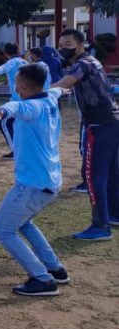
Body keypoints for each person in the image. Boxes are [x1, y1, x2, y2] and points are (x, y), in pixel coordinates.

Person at [0, 64, 69, 296]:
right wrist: (64, 90)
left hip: (32, 185)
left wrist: (1, 111)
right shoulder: (49, 97)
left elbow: (16, 106)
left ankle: (42, 278)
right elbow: (58, 90)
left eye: (16, 84)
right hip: (49, 182)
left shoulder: (31, 106)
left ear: (22, 87)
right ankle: (55, 269)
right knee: (23, 223)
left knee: (2, 230)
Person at [51, 28, 119, 241]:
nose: (63, 49)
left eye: (68, 44)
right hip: (111, 121)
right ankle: (114, 215)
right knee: (111, 172)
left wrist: (38, 94)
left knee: (93, 175)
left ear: (81, 45)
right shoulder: (90, 61)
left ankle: (100, 226)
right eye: (61, 45)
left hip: (100, 124)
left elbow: (64, 84)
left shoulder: (84, 63)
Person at [0, 41, 25, 159]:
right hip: (27, 98)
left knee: (4, 121)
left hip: (17, 100)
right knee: (19, 125)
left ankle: (15, 151)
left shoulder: (12, 62)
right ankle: (22, 149)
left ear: (5, 53)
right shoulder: (24, 61)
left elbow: (4, 67)